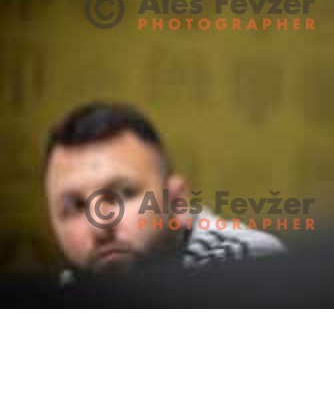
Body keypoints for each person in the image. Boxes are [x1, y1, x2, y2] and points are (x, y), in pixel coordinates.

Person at [44, 102, 285, 282]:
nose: (100, 226)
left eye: (123, 194)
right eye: (75, 207)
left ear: (178, 203)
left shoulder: (248, 264)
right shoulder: (69, 286)